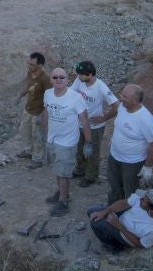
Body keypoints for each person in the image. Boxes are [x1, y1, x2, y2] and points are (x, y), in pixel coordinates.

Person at [40, 68, 92, 217]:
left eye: (61, 77)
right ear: (51, 80)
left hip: (67, 142)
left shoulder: (75, 98)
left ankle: (63, 201)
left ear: (67, 80)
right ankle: (62, 192)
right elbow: (46, 110)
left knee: (63, 173)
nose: (58, 80)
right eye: (55, 77)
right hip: (52, 139)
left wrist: (88, 142)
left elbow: (85, 121)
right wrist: (43, 128)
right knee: (58, 169)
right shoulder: (48, 94)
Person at [107, 84, 153, 205]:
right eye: (122, 95)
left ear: (135, 101)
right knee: (114, 184)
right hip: (114, 156)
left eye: (125, 96)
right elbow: (119, 126)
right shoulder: (122, 107)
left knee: (130, 191)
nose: (121, 98)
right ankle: (112, 208)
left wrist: (147, 167)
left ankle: (129, 215)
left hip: (132, 162)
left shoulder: (145, 119)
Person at [69, 60, 118, 188]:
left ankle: (91, 176)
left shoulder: (101, 87)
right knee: (79, 149)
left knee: (92, 152)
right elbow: (71, 94)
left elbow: (115, 105)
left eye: (82, 74)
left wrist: (104, 118)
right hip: (79, 123)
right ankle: (80, 170)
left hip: (94, 127)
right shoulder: (79, 81)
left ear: (90, 74)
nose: (79, 76)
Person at [87, 188, 153, 251]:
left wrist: (118, 225)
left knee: (95, 222)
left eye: (143, 200)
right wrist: (105, 212)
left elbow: (139, 244)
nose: (140, 198)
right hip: (121, 219)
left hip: (128, 235)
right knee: (92, 211)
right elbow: (124, 203)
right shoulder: (145, 201)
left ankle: (114, 247)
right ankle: (112, 232)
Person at [15, 52, 51, 166]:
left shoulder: (46, 79)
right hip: (28, 108)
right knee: (24, 130)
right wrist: (19, 96)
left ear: (40, 65)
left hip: (38, 112)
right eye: (28, 63)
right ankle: (28, 151)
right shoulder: (30, 73)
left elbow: (50, 98)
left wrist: (44, 115)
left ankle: (37, 158)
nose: (29, 66)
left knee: (37, 135)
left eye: (32, 64)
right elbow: (28, 86)